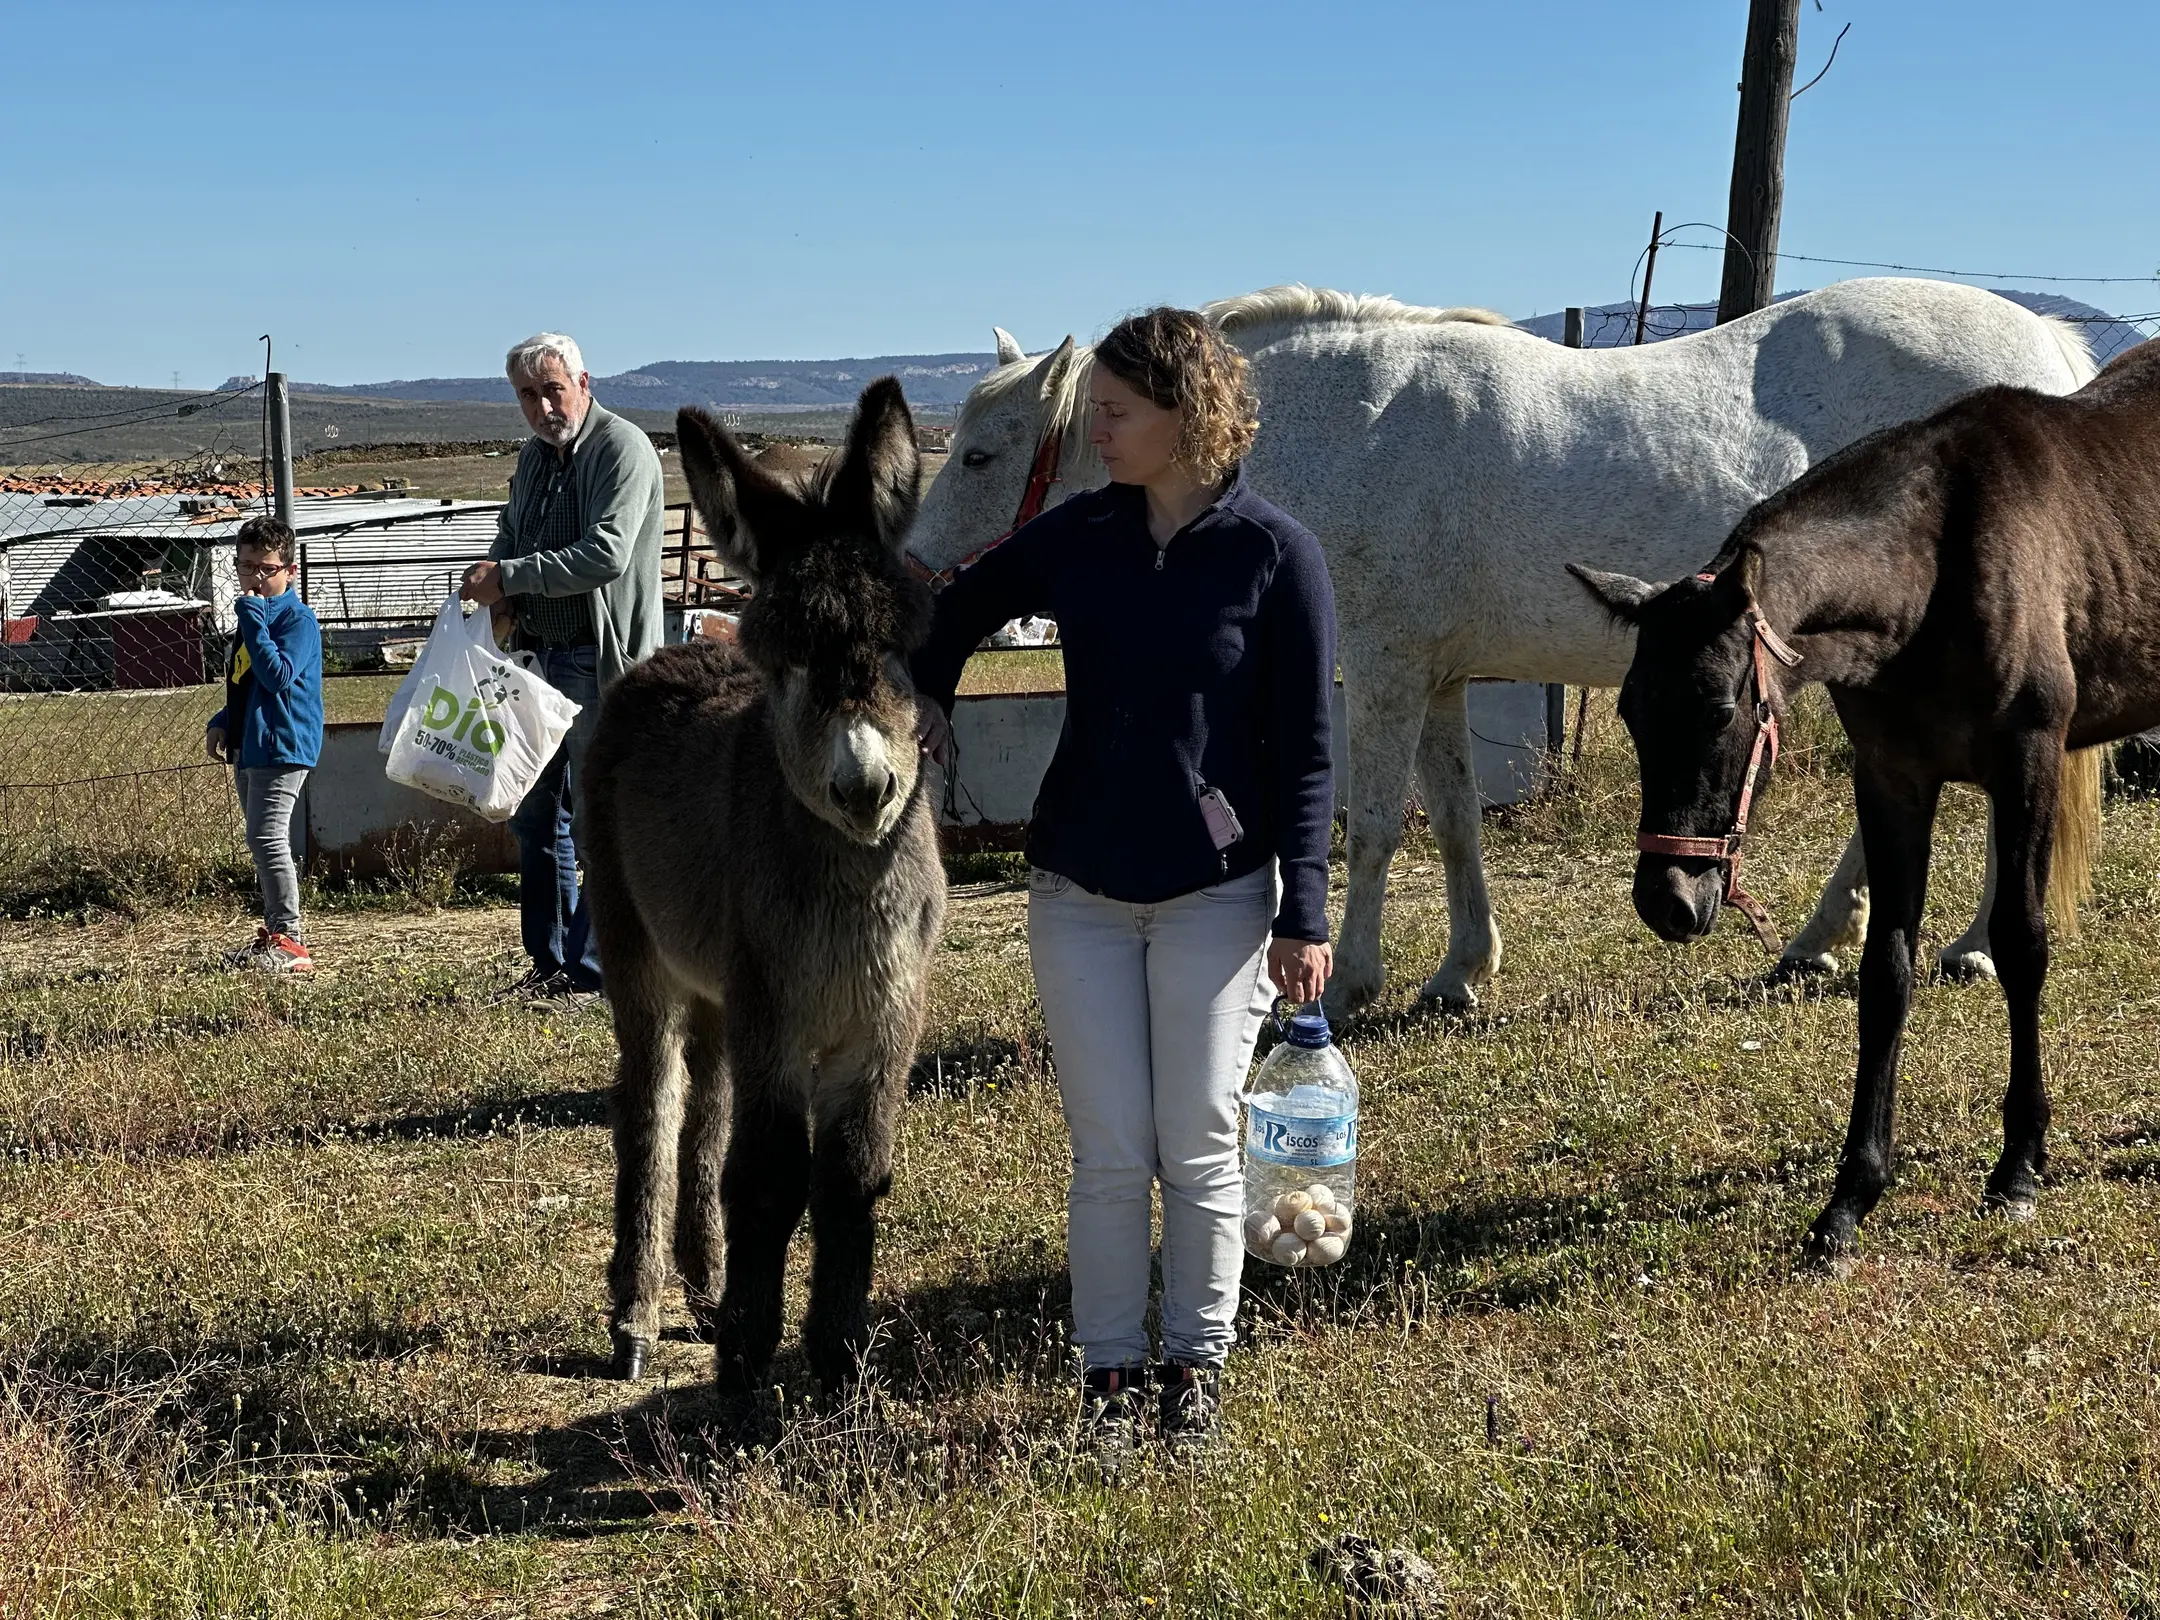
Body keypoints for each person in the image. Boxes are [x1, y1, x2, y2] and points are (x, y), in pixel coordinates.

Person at [911, 307, 1336, 1463]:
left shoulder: (1276, 554)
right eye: (1094, 406)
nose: (1095, 428)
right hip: (1079, 892)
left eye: (1115, 411)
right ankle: (1109, 1381)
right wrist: (933, 692)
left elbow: (1305, 749)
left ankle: (1193, 1376)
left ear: (1184, 415)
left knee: (1197, 1140)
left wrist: (1307, 909)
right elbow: (948, 605)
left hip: (1219, 897)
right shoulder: (1079, 534)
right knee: (1107, 1152)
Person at [460, 333, 665, 1000]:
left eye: (553, 388)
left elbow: (605, 553)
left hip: (599, 660)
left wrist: (511, 576)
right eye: (528, 394)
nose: (544, 405)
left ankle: (595, 970)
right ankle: (549, 965)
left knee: (598, 817)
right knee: (534, 812)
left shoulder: (621, 449)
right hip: (537, 659)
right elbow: (512, 534)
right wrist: (490, 585)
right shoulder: (536, 457)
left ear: (584, 381)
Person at [206, 516, 324, 974]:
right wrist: (223, 720)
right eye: (246, 566)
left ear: (289, 571)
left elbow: (276, 677)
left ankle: (291, 943)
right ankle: (275, 933)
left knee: (268, 838)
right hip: (251, 744)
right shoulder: (251, 619)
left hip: (283, 742)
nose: (255, 577)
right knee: (260, 841)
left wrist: (253, 620)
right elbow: (246, 681)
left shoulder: (297, 621)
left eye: (266, 569)